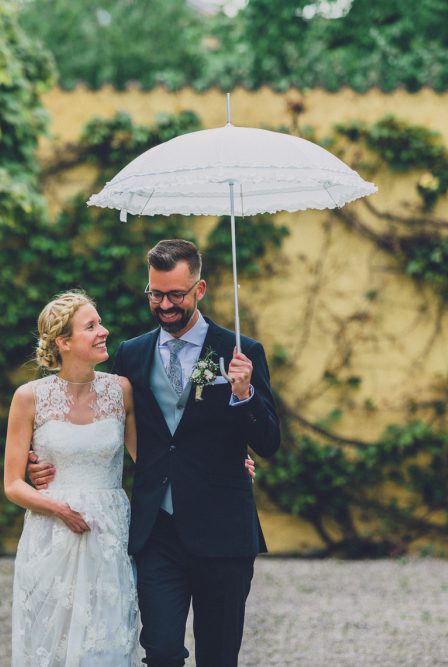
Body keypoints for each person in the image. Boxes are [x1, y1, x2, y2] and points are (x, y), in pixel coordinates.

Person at [30, 240, 281, 666]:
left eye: (175, 295)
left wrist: (244, 394)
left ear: (199, 290)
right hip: (157, 531)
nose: (164, 305)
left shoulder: (241, 352)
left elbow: (270, 441)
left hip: (222, 528)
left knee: (219, 657)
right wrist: (39, 464)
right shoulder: (132, 353)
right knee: (162, 651)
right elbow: (100, 420)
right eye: (155, 294)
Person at [4, 290, 140, 665]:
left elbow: (151, 462)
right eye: (91, 326)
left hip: (110, 532)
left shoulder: (121, 391)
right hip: (50, 534)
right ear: (63, 342)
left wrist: (226, 462)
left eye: (100, 322)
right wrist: (58, 507)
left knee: (107, 639)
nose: (104, 331)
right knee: (51, 642)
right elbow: (13, 484)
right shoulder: (29, 397)